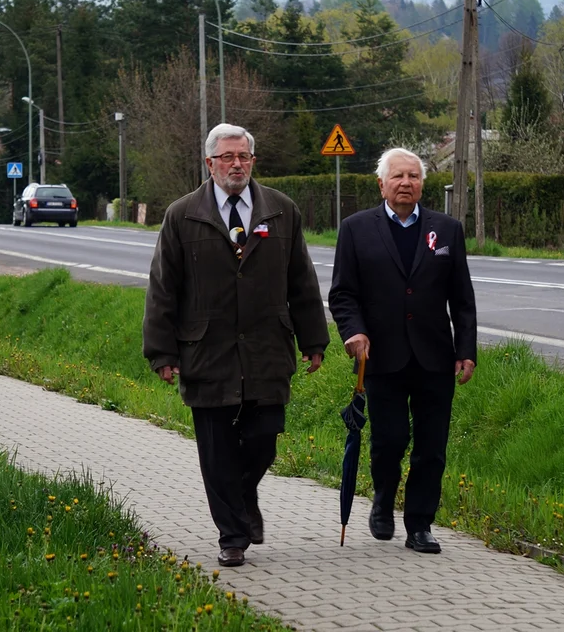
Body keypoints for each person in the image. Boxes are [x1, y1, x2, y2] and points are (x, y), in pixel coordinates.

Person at [143, 123, 329, 568]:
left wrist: (314, 339)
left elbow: (301, 280)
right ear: (209, 164)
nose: (236, 164)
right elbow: (163, 288)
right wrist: (162, 352)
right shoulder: (182, 214)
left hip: (267, 348)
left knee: (265, 437)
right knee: (217, 449)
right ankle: (232, 535)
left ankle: (244, 494)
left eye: (243, 156)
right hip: (206, 351)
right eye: (226, 157)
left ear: (252, 161)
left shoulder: (281, 211)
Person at [328, 147, 478, 555]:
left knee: (432, 446)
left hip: (434, 357)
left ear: (422, 184)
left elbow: (462, 298)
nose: (406, 183)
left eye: (413, 176)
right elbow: (342, 294)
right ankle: (382, 499)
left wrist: (466, 350)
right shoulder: (356, 229)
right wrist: (353, 332)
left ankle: (420, 524)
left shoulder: (446, 230)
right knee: (390, 440)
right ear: (381, 184)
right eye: (398, 177)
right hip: (382, 356)